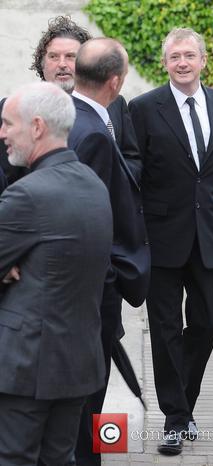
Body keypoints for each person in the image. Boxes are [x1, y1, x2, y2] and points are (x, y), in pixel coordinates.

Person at [129, 27, 213, 455]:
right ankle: (174, 419)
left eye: (190, 55)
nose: (182, 63)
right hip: (161, 239)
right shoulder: (144, 108)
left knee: (209, 318)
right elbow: (134, 177)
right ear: (165, 63)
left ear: (203, 61)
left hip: (208, 239)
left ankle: (182, 402)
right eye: (175, 57)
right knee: (165, 329)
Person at [0, 81, 113, 465]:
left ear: (36, 127)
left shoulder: (26, 195)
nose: (1, 134)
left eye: (7, 124)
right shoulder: (93, 184)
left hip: (25, 368)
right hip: (77, 363)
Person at [68, 37, 150, 465]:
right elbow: (94, 220)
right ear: (115, 82)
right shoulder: (95, 132)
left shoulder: (69, 118)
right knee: (89, 394)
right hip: (92, 292)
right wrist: (112, 280)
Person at [0, 15, 142, 184]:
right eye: (53, 56)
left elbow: (131, 158)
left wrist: (111, 181)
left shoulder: (114, 103)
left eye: (70, 56)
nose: (62, 64)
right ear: (41, 63)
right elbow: (7, 174)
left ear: (86, 63)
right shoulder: (16, 107)